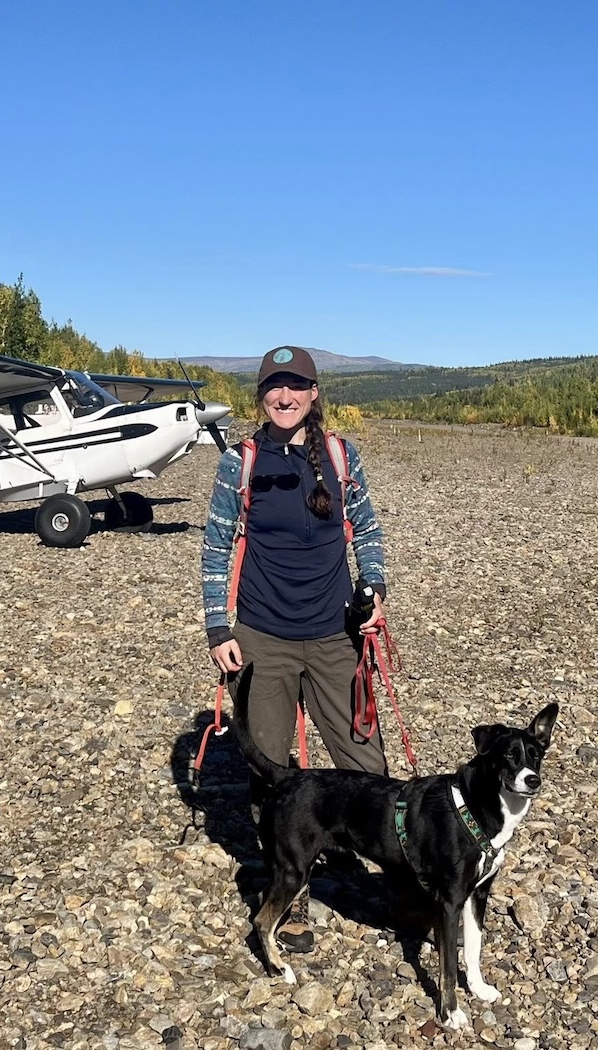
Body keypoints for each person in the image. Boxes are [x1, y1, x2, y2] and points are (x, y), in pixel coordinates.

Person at [201, 345, 389, 952]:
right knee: (271, 769)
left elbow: (368, 530)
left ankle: (397, 880)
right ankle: (292, 889)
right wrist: (217, 627)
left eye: (296, 387)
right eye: (273, 388)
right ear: (262, 396)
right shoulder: (241, 460)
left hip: (337, 634)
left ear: (314, 394)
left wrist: (374, 587)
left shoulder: (340, 454)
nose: (284, 398)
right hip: (262, 636)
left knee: (365, 762)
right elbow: (215, 545)